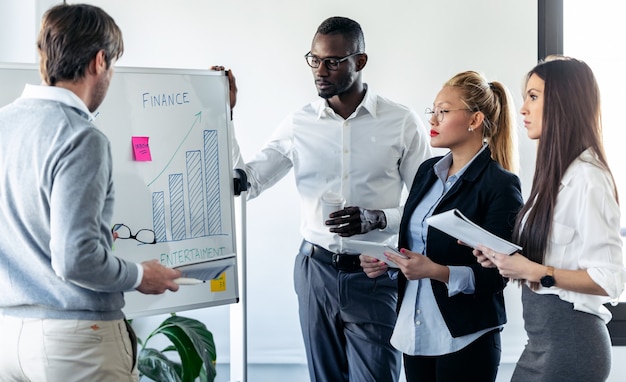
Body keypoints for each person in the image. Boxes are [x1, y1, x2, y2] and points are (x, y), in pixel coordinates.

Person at [224, 16, 432, 382]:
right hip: (314, 271)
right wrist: (224, 115)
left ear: (360, 61)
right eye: (315, 60)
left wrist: (377, 218)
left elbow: (425, 206)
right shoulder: (298, 123)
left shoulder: (401, 122)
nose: (320, 71)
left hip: (375, 273)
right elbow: (248, 182)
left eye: (333, 62)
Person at [0, 4, 182, 381]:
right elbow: (74, 258)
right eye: (112, 65)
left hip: (8, 334)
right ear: (100, 61)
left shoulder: (4, 123)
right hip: (75, 342)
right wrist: (138, 276)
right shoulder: (79, 136)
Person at [361, 71, 524, 381]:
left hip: (465, 337)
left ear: (475, 120)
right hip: (415, 331)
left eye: (443, 111)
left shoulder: (500, 185)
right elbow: (420, 244)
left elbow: (498, 275)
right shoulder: (426, 173)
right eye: (432, 110)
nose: (432, 120)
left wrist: (436, 271)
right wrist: (389, 263)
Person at [474, 56, 625, 382]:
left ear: (562, 102)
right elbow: (551, 260)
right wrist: (506, 260)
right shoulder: (554, 178)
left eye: (533, 96)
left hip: (571, 342)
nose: (523, 108)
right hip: (543, 342)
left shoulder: (589, 178)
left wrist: (536, 272)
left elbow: (610, 279)